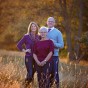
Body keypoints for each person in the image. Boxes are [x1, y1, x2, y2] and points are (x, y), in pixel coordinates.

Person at [17, 22, 40, 87]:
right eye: (32, 26)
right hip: (28, 57)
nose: (33, 27)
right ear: (30, 28)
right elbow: (18, 45)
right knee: (30, 73)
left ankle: (28, 86)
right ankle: (24, 86)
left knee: (32, 73)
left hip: (36, 58)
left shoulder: (39, 36)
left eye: (34, 26)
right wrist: (25, 50)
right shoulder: (26, 36)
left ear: (36, 27)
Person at [47, 17, 64, 88]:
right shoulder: (43, 31)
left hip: (54, 56)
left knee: (55, 73)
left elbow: (62, 45)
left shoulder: (58, 32)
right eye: (49, 21)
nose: (50, 22)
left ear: (54, 23)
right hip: (44, 56)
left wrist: (54, 44)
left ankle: (57, 86)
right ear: (47, 22)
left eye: (52, 21)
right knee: (46, 73)